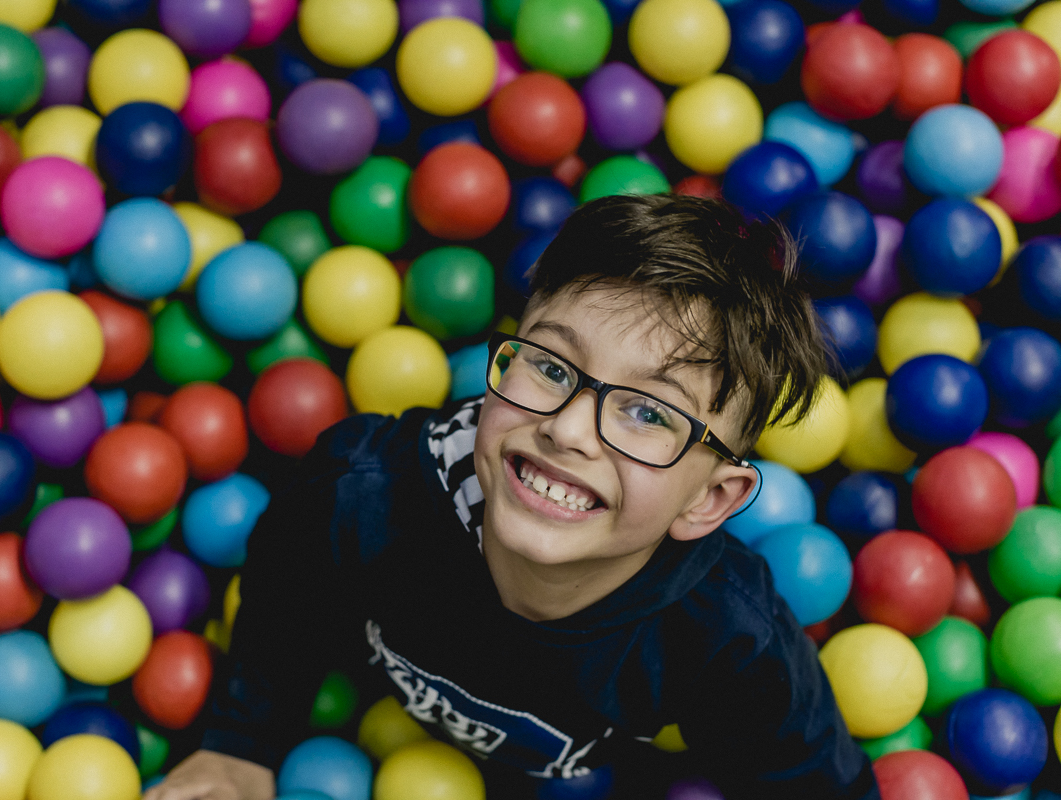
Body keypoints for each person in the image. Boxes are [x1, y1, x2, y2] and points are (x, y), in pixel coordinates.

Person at [144, 194, 878, 800]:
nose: (567, 429)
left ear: (709, 501)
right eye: (552, 367)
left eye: (649, 413)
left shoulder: (726, 638)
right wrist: (240, 746)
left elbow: (812, 782)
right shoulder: (365, 496)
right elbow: (286, 599)